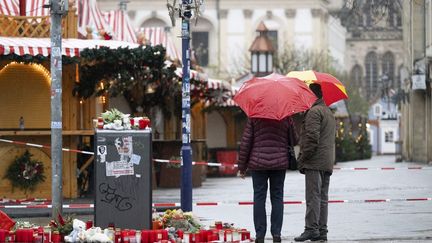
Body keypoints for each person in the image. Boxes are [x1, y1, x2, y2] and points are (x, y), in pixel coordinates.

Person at [238, 117, 297, 243]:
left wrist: (242, 167)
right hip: (279, 162)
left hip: (258, 163)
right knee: (277, 197)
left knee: (259, 197)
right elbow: (294, 139)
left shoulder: (254, 116)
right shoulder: (285, 115)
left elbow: (246, 142)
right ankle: (276, 234)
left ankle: (260, 235)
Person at [294, 83, 336, 242]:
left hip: (314, 161)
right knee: (323, 198)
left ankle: (311, 229)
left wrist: (302, 159)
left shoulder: (314, 112)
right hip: (326, 162)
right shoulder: (328, 112)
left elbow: (312, 139)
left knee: (313, 197)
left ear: (312, 95)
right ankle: (322, 231)